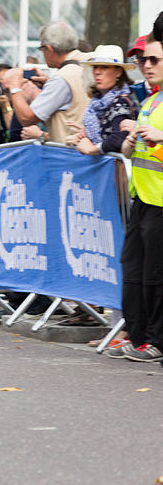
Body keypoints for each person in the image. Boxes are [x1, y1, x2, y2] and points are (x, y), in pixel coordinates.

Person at [108, 33, 163, 362]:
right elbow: (141, 150)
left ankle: (157, 341)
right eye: (142, 60)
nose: (146, 66)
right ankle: (139, 336)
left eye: (154, 59)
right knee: (133, 269)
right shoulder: (151, 101)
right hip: (141, 198)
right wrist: (129, 144)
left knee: (156, 275)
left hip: (160, 202)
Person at [1, 20, 89, 145]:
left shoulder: (61, 79)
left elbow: (27, 119)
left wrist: (14, 86)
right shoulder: (91, 63)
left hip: (69, 157)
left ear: (49, 49)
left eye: (41, 49)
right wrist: (49, 83)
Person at [67, 45, 138, 155]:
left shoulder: (121, 102)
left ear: (119, 72)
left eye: (104, 67)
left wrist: (93, 149)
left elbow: (118, 139)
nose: (97, 72)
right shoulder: (97, 102)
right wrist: (84, 136)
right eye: (95, 67)